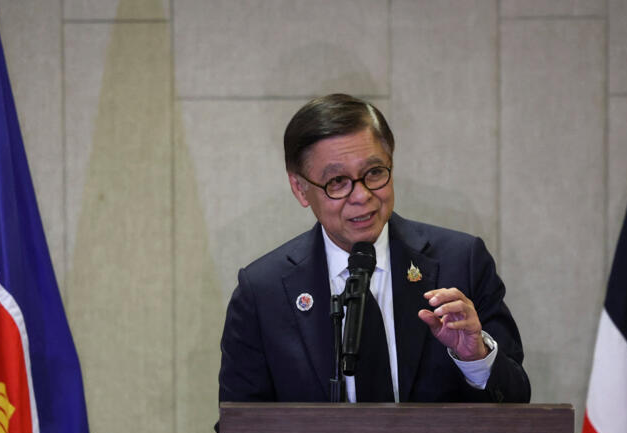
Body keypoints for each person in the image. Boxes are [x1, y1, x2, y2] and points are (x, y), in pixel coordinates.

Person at [218, 94, 530, 404]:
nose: (362, 195)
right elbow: (240, 431)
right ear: (301, 189)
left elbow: (517, 402)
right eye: (338, 181)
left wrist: (476, 358)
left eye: (375, 173)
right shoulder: (262, 292)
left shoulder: (461, 262)